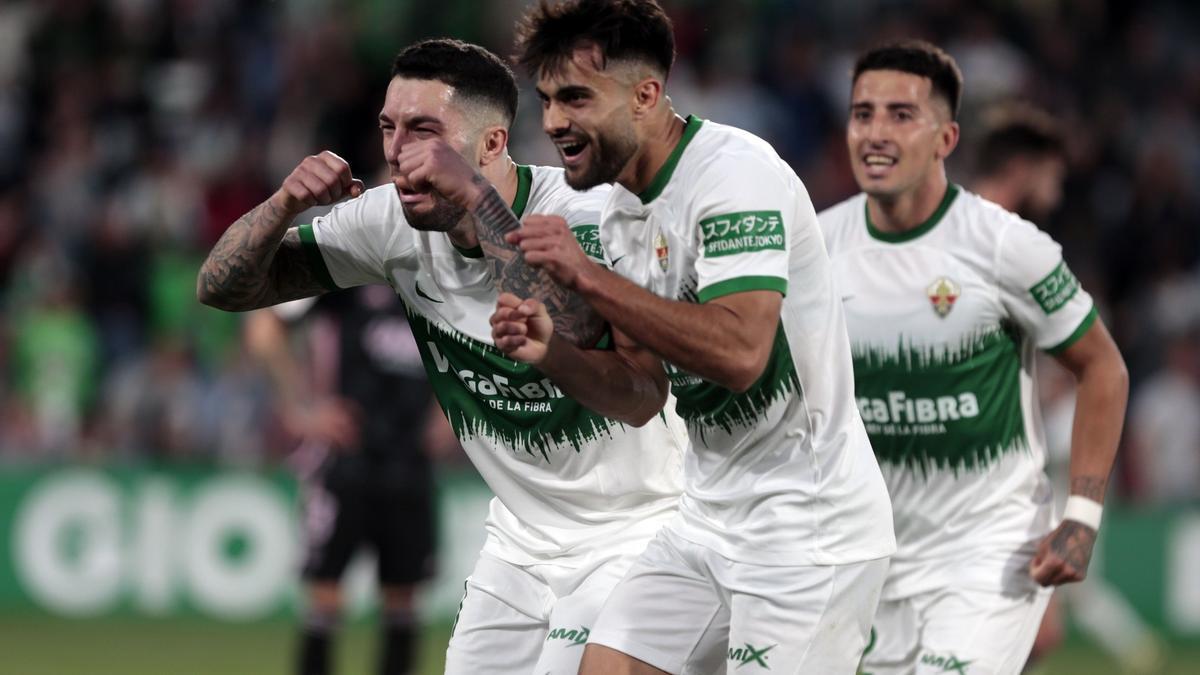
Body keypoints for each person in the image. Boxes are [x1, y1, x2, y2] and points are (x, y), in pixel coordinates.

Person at [198, 38, 688, 675]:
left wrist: (477, 201)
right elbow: (222, 288)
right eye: (388, 128)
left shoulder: (587, 215)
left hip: (636, 525)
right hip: (520, 538)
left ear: (491, 145)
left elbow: (582, 335)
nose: (398, 153)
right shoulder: (388, 222)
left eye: (423, 130)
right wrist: (282, 205)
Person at [436, 1, 894, 672]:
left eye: (576, 98)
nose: (555, 121)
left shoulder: (735, 178)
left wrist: (588, 278)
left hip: (807, 527)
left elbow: (741, 354)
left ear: (646, 95)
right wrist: (553, 352)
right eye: (547, 100)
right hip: (705, 514)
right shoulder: (619, 207)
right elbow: (642, 393)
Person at [816, 41, 1129, 675]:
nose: (875, 133)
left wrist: (1082, 517)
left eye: (901, 115)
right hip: (871, 557)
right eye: (862, 113)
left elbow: (1104, 367)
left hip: (989, 550)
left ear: (946, 137)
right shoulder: (816, 246)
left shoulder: (1008, 246)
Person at [243, 288, 450, 675]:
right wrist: (301, 408)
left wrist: (447, 412)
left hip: (411, 467)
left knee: (403, 599)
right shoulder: (343, 274)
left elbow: (468, 351)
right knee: (325, 595)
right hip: (344, 462)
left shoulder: (431, 281)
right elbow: (264, 327)